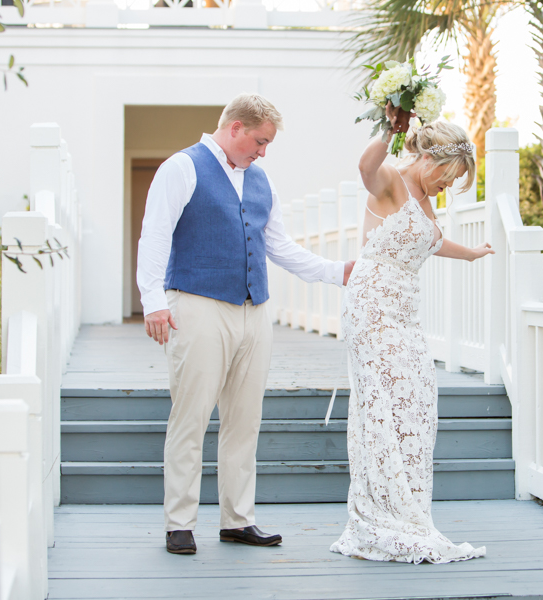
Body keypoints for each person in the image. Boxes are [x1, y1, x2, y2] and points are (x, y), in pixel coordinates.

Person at [136, 93, 354, 556]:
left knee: (244, 420)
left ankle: (238, 519)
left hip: (255, 310)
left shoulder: (261, 181)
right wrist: (152, 301)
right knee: (190, 416)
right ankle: (180, 522)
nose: (263, 151)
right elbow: (154, 232)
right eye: (260, 141)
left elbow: (280, 246)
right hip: (196, 305)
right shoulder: (182, 167)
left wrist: (337, 272)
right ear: (235, 127)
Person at [330, 106, 494, 564]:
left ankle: (407, 508)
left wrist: (471, 254)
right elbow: (364, 166)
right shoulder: (390, 180)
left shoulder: (426, 198)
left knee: (418, 400)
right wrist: (390, 128)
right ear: (428, 158)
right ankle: (379, 515)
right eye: (449, 175)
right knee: (382, 403)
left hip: (404, 308)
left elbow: (431, 240)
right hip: (372, 303)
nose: (448, 185)